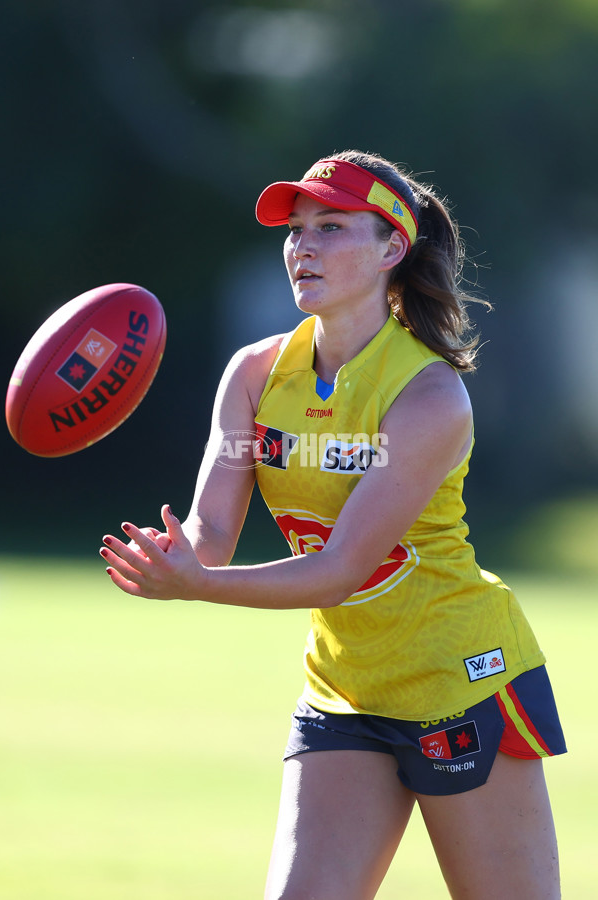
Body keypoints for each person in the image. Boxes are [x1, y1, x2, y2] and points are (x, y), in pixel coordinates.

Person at [100, 150, 566, 900]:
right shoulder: (254, 375)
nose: (302, 245)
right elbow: (210, 530)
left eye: (331, 227)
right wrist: (172, 555)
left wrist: (197, 586)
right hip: (345, 690)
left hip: (461, 681)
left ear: (392, 249)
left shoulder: (430, 395)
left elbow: (340, 568)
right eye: (295, 229)